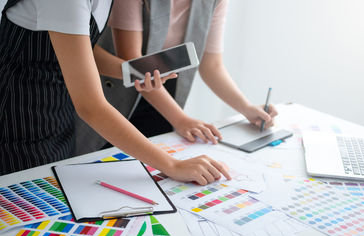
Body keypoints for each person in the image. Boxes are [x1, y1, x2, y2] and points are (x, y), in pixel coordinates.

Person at [0, 0, 231, 186]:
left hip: (58, 113)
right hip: (17, 119)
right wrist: (172, 165)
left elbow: (84, 51)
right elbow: (91, 106)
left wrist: (135, 71)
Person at [74, 0, 278, 155]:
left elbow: (212, 65)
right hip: (117, 94)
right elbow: (134, 64)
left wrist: (246, 108)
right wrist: (180, 119)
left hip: (165, 95)